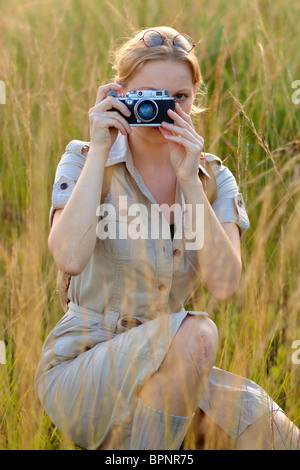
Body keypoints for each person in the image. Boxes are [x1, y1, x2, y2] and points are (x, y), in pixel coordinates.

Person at [35, 26, 300, 450]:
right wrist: (102, 147)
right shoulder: (85, 159)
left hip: (176, 361)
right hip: (87, 367)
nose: (162, 111)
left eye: (178, 99)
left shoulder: (214, 178)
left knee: (281, 439)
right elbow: (68, 257)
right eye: (148, 97)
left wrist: (190, 182)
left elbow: (225, 284)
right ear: (119, 95)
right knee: (199, 332)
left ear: (195, 99)